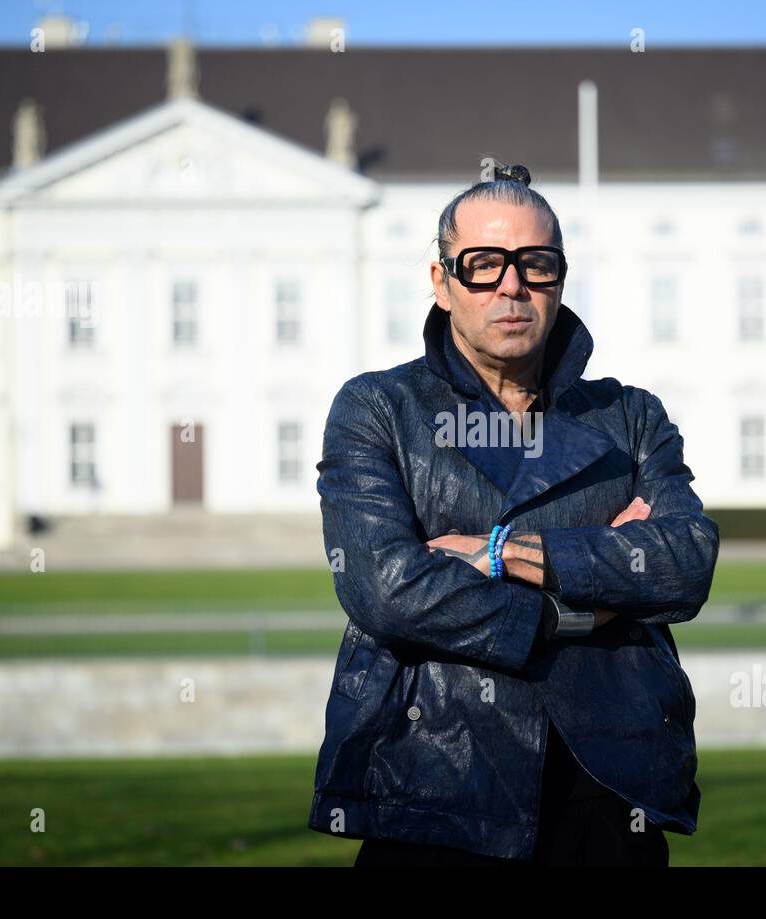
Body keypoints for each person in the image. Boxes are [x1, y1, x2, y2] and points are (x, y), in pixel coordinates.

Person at [308, 161, 720, 866]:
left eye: (536, 264)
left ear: (559, 277)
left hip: (607, 785)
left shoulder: (629, 416)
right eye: (483, 265)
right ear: (441, 282)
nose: (511, 285)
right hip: (429, 781)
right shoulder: (378, 409)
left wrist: (500, 554)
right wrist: (588, 602)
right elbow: (385, 586)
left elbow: (684, 562)